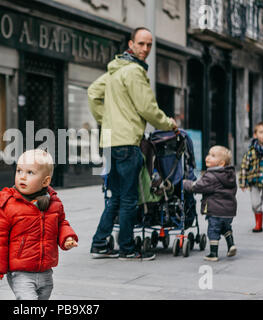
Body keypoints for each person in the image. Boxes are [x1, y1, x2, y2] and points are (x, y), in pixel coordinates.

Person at [88, 27, 177, 261]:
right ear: (131, 43)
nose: (145, 49)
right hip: (127, 141)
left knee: (115, 196)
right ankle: (126, 248)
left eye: (149, 45)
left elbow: (92, 94)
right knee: (129, 198)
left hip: (109, 141)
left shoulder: (114, 70)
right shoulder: (134, 71)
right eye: (141, 44)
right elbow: (147, 107)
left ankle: (99, 244)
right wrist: (169, 124)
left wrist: (106, 120)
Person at [0, 149, 78, 300]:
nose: (22, 176)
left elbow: (61, 223)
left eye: (30, 173)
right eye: (19, 170)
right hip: (20, 270)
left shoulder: (53, 203)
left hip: (45, 270)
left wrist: (67, 237)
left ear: (45, 181)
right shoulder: (7, 203)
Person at [184, 146, 237, 261]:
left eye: (212, 156)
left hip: (215, 210)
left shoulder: (211, 176)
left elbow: (199, 187)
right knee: (225, 227)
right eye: (208, 154)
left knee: (213, 230)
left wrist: (187, 184)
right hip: (229, 212)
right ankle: (231, 245)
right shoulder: (230, 175)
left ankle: (213, 253)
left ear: (221, 163)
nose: (207, 157)